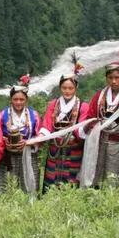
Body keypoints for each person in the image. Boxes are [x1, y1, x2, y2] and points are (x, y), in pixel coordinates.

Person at [83, 45, 119, 187]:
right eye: (110, 77)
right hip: (98, 142)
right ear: (106, 78)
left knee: (115, 179)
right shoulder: (99, 96)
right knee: (96, 175)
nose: (113, 81)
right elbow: (90, 117)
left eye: (117, 77)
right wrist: (95, 126)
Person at [40, 55, 90, 192]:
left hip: (73, 150)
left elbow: (81, 127)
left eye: (70, 88)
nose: (67, 91)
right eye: (64, 88)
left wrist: (85, 128)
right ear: (60, 88)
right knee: (51, 181)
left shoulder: (83, 107)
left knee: (71, 182)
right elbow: (47, 124)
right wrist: (41, 135)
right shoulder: (53, 104)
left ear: (76, 88)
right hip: (55, 149)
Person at [0, 75, 42, 192]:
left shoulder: (34, 115)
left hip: (28, 155)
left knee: (28, 186)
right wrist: (4, 141)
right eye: (15, 99)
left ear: (26, 100)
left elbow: (40, 136)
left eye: (21, 99)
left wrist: (28, 143)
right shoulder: (2, 115)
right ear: (10, 99)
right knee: (7, 186)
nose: (18, 102)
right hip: (8, 156)